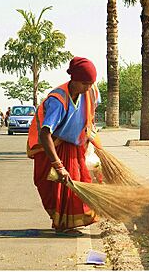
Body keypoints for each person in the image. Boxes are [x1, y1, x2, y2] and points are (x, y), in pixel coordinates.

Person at [27, 57, 101, 237]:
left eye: (91, 83)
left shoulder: (91, 91)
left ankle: (70, 222)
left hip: (74, 144)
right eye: (85, 83)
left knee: (79, 182)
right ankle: (63, 224)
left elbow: (91, 111)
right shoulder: (58, 100)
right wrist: (58, 165)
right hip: (52, 147)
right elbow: (45, 133)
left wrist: (88, 132)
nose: (88, 88)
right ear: (73, 80)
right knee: (56, 186)